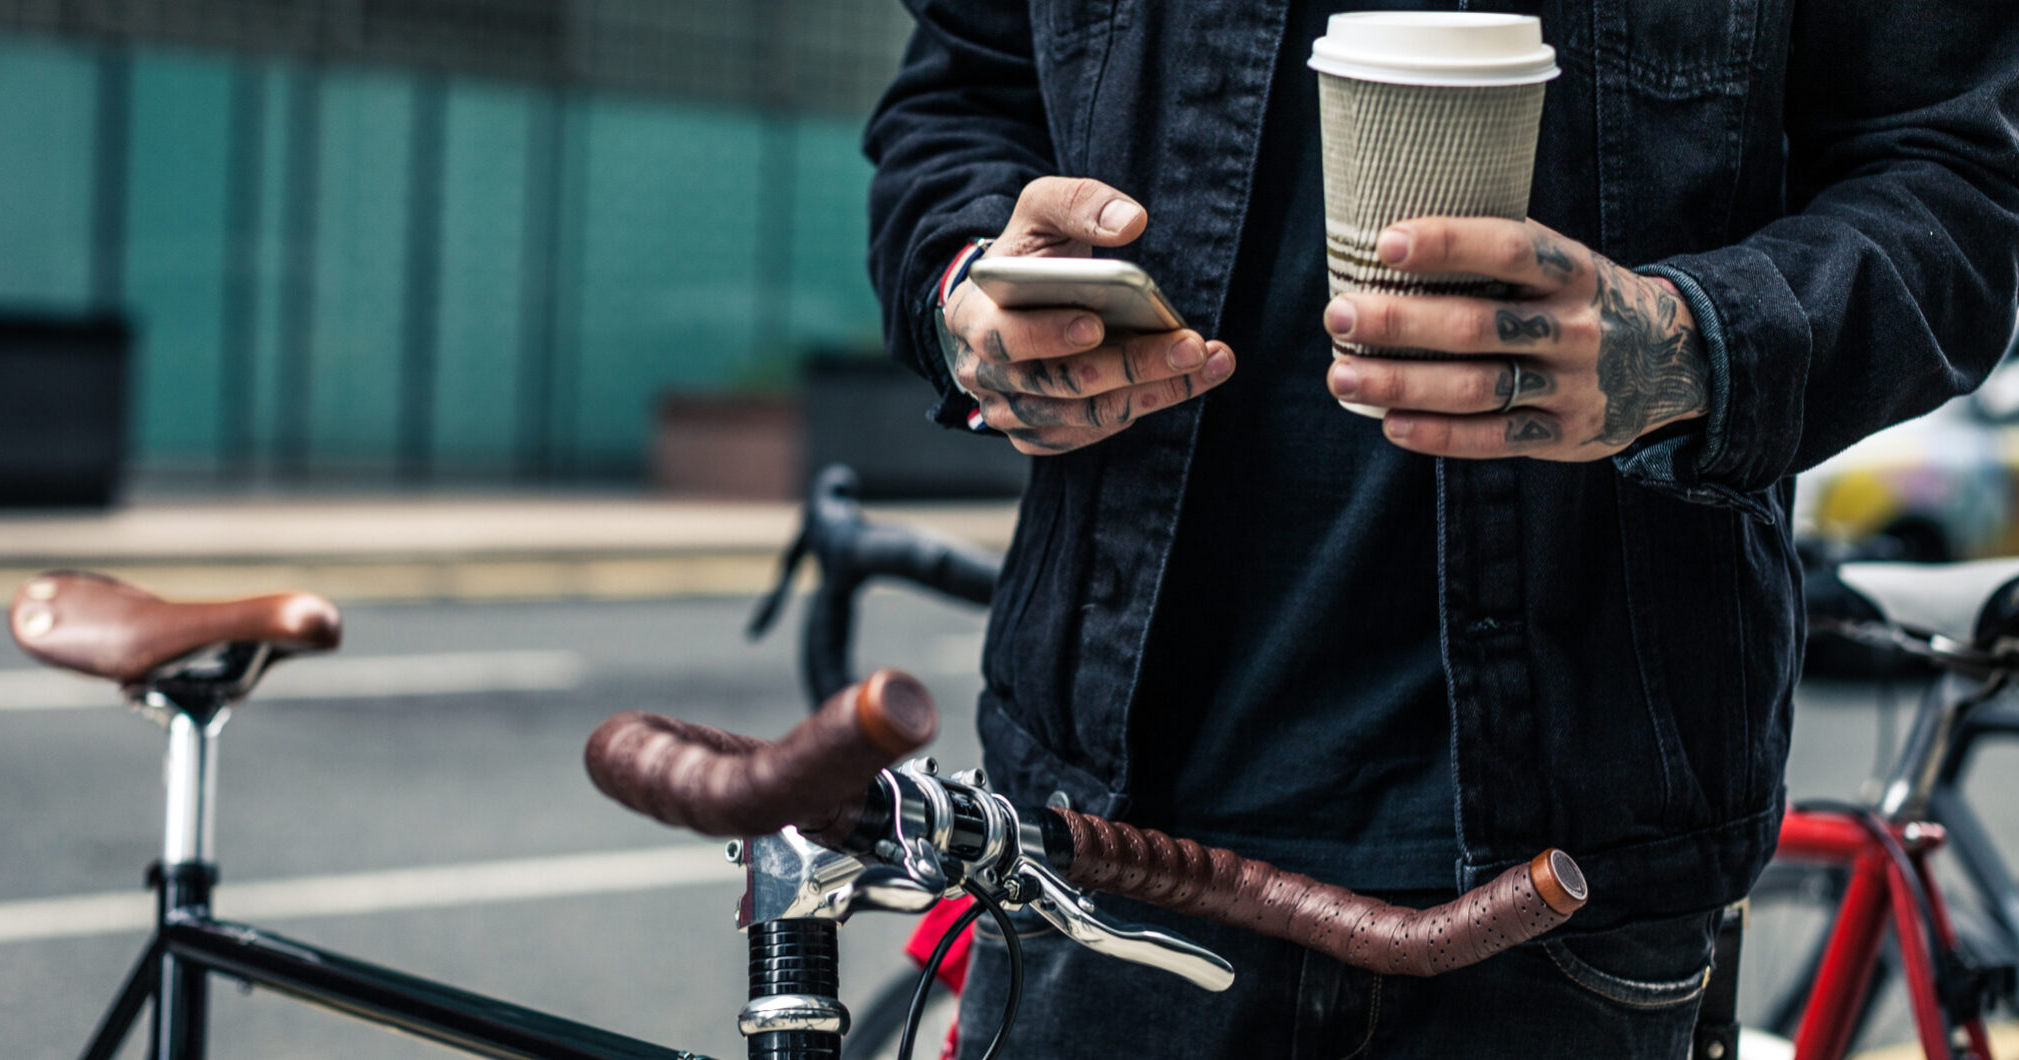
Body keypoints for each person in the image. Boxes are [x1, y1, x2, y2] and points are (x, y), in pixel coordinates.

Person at [863, 1, 2019, 1056]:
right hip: (1098, 853)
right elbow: (960, 98)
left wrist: (1682, 345)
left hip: (1570, 871)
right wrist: (966, 289)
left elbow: (1951, 188)